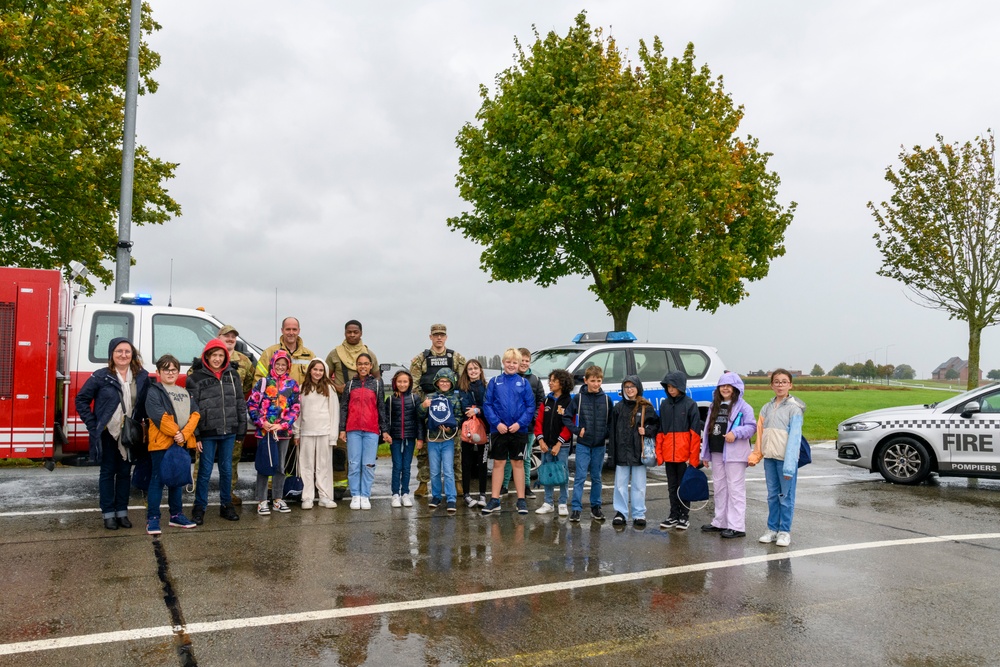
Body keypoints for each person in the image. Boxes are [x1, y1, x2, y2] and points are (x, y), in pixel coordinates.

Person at [76, 337, 150, 530]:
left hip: (130, 433)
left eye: (127, 351)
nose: (123, 355)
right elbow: (81, 400)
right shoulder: (101, 376)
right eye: (119, 351)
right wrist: (93, 425)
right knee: (108, 472)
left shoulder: (141, 376)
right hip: (108, 432)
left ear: (132, 354)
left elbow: (146, 403)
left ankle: (122, 512)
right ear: (112, 354)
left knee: (125, 473)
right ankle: (108, 514)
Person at [187, 339, 246, 524]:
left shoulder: (233, 375)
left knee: (226, 470)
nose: (217, 359)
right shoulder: (195, 378)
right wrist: (195, 434)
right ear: (207, 356)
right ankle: (199, 507)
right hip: (206, 432)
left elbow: (239, 402)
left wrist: (241, 429)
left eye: (221, 355)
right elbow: (191, 407)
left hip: (229, 430)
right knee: (204, 471)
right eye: (214, 355)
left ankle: (226, 505)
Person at [409, 324, 467, 497]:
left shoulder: (456, 358)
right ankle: (422, 483)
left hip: (451, 406)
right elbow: (414, 384)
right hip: (429, 406)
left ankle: (457, 483)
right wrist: (425, 403)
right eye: (436, 335)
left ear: (446, 337)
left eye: (442, 335)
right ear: (430, 337)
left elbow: (463, 381)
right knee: (425, 451)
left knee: (456, 450)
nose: (439, 338)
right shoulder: (421, 359)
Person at [145, 355, 200, 534]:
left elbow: (195, 415)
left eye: (174, 369)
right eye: (166, 369)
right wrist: (177, 433)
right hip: (161, 444)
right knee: (157, 480)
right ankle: (153, 519)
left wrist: (183, 435)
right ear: (158, 372)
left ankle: (176, 516)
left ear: (178, 371)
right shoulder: (154, 391)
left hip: (180, 443)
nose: (170, 372)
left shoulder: (184, 392)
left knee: (177, 482)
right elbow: (158, 415)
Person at [326, 320, 379, 501]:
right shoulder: (335, 353)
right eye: (349, 332)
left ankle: (363, 492)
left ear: (361, 333)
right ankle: (340, 485)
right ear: (344, 333)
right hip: (341, 406)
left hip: (365, 409)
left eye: (355, 332)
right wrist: (337, 387)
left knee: (365, 456)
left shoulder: (369, 354)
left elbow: (377, 379)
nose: (352, 335)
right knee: (341, 450)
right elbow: (324, 375)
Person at [700, 371, 756, 539]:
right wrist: (705, 453)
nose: (725, 388)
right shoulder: (714, 406)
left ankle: (737, 526)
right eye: (722, 385)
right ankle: (720, 522)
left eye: (728, 386)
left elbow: (751, 427)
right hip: (717, 452)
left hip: (735, 455)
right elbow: (708, 431)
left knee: (735, 489)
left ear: (735, 388)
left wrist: (736, 433)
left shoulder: (744, 407)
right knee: (719, 488)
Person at [481, 349, 536, 516]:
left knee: (518, 464)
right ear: (503, 363)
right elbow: (487, 404)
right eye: (508, 362)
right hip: (499, 431)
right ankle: (495, 499)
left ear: (519, 365)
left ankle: (521, 500)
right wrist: (496, 423)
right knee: (498, 464)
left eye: (515, 362)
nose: (511, 365)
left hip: (519, 431)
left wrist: (520, 424)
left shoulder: (524, 383)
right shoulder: (494, 382)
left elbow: (530, 406)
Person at [756, 369, 806, 548]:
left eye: (784, 382)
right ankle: (772, 529)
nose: (780, 385)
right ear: (771, 385)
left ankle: (784, 531)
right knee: (772, 496)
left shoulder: (794, 409)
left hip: (786, 460)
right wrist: (757, 454)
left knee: (786, 497)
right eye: (776, 382)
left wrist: (789, 466)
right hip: (770, 458)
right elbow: (760, 433)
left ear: (790, 385)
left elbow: (795, 439)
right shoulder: (766, 407)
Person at [248, 350, 301, 516]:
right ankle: (262, 500)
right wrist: (262, 423)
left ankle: (278, 498)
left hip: (282, 433)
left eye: (283, 364)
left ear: (288, 366)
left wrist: (283, 425)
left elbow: (295, 408)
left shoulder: (292, 385)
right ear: (272, 364)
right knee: (264, 465)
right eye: (277, 364)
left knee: (280, 466)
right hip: (264, 432)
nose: (280, 367)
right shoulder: (263, 382)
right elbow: (252, 405)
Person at [206, 324, 253, 506]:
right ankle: (197, 494)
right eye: (227, 336)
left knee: (232, 458)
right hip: (210, 416)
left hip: (232, 415)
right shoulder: (207, 357)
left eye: (233, 337)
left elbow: (248, 384)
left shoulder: (244, 361)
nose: (230, 339)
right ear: (219, 337)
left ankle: (229, 493)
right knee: (204, 460)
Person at [562, 365, 613, 523]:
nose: (596, 384)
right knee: (580, 477)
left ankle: (596, 507)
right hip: (583, 444)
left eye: (599, 381)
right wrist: (577, 430)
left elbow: (611, 422)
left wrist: (606, 434)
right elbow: (566, 417)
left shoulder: (606, 399)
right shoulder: (579, 398)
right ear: (586, 380)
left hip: (599, 445)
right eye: (593, 381)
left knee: (597, 477)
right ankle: (576, 509)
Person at [339, 353, 390, 510]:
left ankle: (365, 495)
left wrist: (385, 430)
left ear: (370, 366)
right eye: (360, 364)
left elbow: (381, 407)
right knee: (354, 464)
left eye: (366, 364)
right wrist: (342, 429)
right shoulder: (349, 385)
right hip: (353, 429)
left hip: (371, 430)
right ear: (356, 365)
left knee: (368, 464)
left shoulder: (376, 384)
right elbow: (344, 407)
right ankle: (355, 495)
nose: (363, 366)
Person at [608, 375, 659, 528]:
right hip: (622, 453)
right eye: (626, 387)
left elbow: (656, 426)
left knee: (639, 485)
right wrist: (612, 454)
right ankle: (621, 512)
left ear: (638, 388)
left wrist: (647, 430)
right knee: (620, 484)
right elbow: (612, 432)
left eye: (632, 387)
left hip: (639, 453)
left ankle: (638, 514)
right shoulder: (618, 408)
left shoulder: (646, 407)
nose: (629, 390)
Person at [656, 371, 703, 531]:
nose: (670, 390)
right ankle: (673, 515)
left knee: (684, 486)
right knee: (671, 486)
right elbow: (661, 431)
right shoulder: (664, 405)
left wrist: (693, 458)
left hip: (684, 456)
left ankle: (684, 515)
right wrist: (660, 454)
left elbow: (695, 434)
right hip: (669, 454)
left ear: (680, 387)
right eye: (668, 386)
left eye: (673, 386)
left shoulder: (690, 405)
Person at [294, 359, 340, 510]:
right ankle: (307, 497)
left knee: (323, 466)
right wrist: (296, 433)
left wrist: (333, 435)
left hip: (324, 432)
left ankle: (324, 496)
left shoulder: (329, 389)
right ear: (310, 371)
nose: (318, 373)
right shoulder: (302, 389)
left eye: (321, 370)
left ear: (325, 372)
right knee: (306, 465)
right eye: (315, 369)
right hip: (307, 432)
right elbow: (298, 412)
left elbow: (334, 413)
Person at [418, 368, 464, 514]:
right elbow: (419, 415)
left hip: (448, 440)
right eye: (442, 381)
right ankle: (436, 496)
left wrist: (451, 428)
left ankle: (451, 498)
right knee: (435, 470)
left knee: (449, 470)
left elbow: (459, 417)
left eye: (447, 381)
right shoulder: (429, 397)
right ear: (436, 382)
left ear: (452, 382)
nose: (444, 383)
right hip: (432, 439)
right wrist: (422, 406)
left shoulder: (455, 398)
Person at [501, 348, 544, 498]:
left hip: (528, 426)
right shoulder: (507, 378)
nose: (524, 363)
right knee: (507, 458)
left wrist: (533, 416)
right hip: (508, 426)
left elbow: (540, 401)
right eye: (522, 361)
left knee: (525, 457)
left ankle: (526, 487)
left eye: (527, 361)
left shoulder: (535, 380)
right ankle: (504, 486)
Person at [533, 369, 574, 516]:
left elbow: (569, 425)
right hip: (546, 444)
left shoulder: (569, 401)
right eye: (550, 380)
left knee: (562, 472)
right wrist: (541, 440)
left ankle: (563, 502)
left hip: (561, 446)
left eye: (553, 381)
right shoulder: (546, 400)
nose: (550, 383)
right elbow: (539, 422)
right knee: (547, 472)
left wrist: (558, 443)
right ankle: (548, 502)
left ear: (562, 383)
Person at [385, 369, 424, 508]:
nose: (402, 384)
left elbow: (419, 420)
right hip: (395, 438)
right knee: (397, 466)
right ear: (395, 383)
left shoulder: (415, 398)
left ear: (410, 383)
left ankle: (405, 493)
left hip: (410, 437)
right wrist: (386, 433)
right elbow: (386, 419)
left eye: (405, 381)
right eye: (399, 381)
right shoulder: (390, 400)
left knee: (406, 467)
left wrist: (420, 438)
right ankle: (395, 494)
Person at [458, 359, 489, 508]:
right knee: (467, 463)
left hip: (484, 428)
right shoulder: (462, 387)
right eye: (470, 369)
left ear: (480, 370)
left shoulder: (487, 386)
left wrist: (478, 410)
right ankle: (467, 494)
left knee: (482, 463)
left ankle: (483, 494)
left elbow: (489, 405)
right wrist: (472, 410)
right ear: (466, 372)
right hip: (468, 430)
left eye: (475, 368)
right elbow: (464, 406)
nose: (473, 371)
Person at [255, 317, 315, 385]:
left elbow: (317, 381)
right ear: (282, 330)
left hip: (301, 395)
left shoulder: (310, 355)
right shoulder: (269, 353)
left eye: (294, 329)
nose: (291, 332)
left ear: (299, 331)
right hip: (275, 395)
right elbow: (258, 380)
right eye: (288, 329)